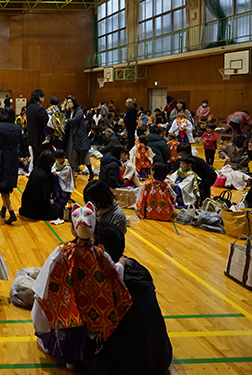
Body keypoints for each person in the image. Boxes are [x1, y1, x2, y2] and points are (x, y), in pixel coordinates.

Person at [31, 202, 131, 371]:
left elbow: (45, 278)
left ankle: (66, 357)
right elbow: (113, 274)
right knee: (86, 329)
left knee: (68, 327)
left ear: (73, 229)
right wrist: (120, 264)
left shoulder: (63, 251)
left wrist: (39, 297)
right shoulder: (100, 254)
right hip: (92, 305)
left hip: (68, 302)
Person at [92, 222, 174, 375]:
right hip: (161, 357)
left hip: (129, 365)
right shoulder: (137, 268)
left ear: (101, 248)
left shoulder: (105, 277)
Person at [0, 107, 23, 224]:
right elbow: (22, 143)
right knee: (8, 183)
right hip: (14, 156)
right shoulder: (18, 128)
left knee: (2, 185)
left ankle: (11, 213)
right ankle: (3, 210)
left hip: (2, 156)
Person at [19, 150, 62, 220]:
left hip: (29, 204)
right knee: (59, 210)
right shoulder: (40, 176)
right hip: (33, 208)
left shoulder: (37, 170)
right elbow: (40, 196)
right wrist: (49, 202)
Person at [26, 89, 50, 165]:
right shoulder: (39, 109)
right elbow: (47, 122)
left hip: (32, 137)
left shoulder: (29, 107)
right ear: (40, 98)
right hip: (40, 138)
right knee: (42, 159)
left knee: (36, 159)